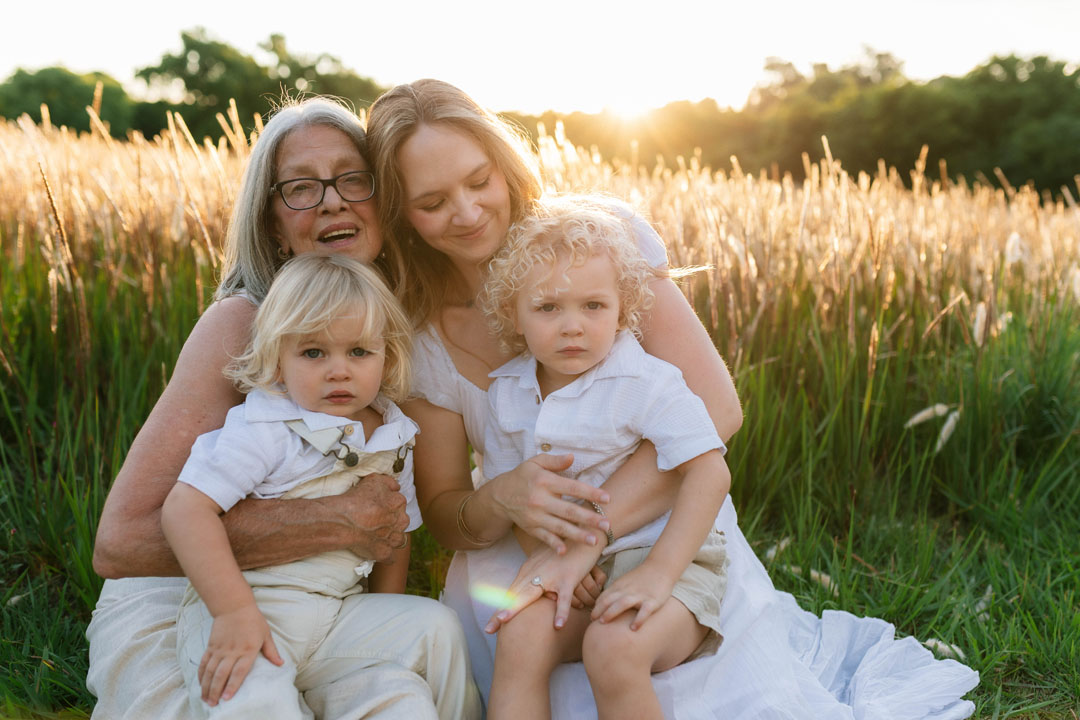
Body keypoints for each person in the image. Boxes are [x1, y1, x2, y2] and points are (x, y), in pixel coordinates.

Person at [366, 78, 979, 718]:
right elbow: (443, 512)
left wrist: (584, 537)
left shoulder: (597, 246)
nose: (465, 212)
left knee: (627, 651)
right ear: (400, 215)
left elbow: (719, 411)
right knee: (517, 631)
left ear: (506, 165)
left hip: (657, 530)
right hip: (519, 545)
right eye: (432, 201)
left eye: (478, 180)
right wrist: (501, 495)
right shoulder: (420, 330)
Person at [87, 97, 481, 720]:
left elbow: (400, 521)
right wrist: (334, 520)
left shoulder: (408, 330)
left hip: (332, 606)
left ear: (388, 199)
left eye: (353, 179)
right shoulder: (242, 324)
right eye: (300, 188)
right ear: (272, 221)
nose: (331, 200)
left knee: (404, 692)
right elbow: (121, 543)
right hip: (195, 597)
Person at [477, 196, 732, 719]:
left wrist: (659, 572)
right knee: (519, 631)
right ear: (514, 315)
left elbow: (710, 470)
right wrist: (552, 552)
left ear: (623, 308)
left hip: (670, 557)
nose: (573, 326)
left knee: (613, 648)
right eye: (548, 308)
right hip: (580, 560)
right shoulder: (507, 392)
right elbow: (521, 501)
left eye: (593, 306)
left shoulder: (644, 381)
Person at [162, 254, 424, 717]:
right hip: (254, 605)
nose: (338, 370)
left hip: (339, 611)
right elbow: (185, 509)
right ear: (277, 360)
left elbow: (394, 534)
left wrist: (383, 615)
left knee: (435, 629)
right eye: (313, 353)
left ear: (389, 356)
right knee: (251, 696)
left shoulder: (394, 434)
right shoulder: (266, 426)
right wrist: (232, 611)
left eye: (359, 352)